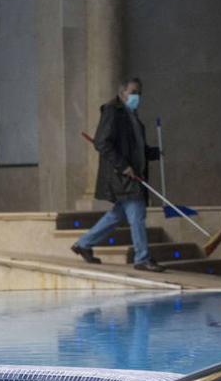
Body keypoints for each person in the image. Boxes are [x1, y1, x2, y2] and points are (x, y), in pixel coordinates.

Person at [71, 76, 167, 273]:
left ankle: (83, 244)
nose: (137, 96)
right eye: (133, 92)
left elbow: (135, 148)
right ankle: (142, 258)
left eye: (139, 93)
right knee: (137, 214)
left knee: (117, 215)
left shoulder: (132, 115)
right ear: (122, 93)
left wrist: (153, 153)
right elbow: (101, 143)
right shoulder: (112, 111)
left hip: (133, 173)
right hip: (122, 175)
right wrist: (123, 166)